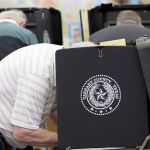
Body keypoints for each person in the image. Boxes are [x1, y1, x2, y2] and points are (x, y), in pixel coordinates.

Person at [0, 43, 63, 149]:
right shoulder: (39, 74)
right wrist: (71, 139)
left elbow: (53, 108)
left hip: (16, 140)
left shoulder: (60, 60)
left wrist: (73, 132)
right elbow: (23, 132)